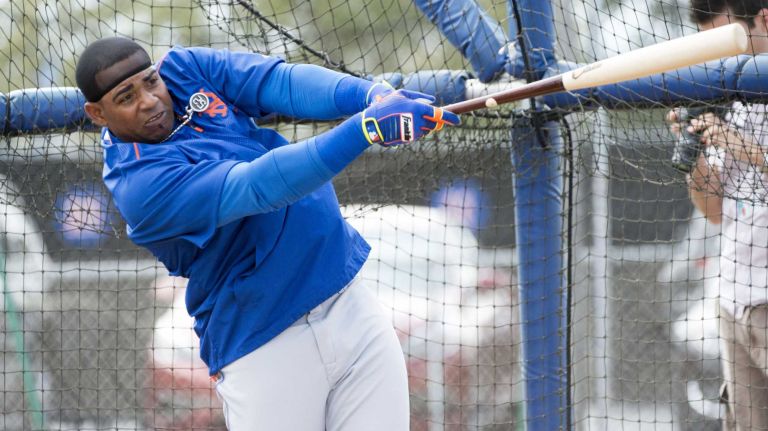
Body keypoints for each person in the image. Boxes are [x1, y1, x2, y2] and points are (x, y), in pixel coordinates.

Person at [75, 36, 459, 430]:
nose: (150, 100)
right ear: (97, 113)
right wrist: (365, 129)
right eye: (126, 97)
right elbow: (261, 187)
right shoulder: (139, 184)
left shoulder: (185, 70)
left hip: (348, 303)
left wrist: (373, 96)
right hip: (265, 343)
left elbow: (280, 83)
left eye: (150, 82)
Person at [668, 1, 768, 428]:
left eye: (730, 40)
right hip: (734, 298)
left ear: (765, 19)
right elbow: (712, 211)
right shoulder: (732, 93)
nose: (723, 60)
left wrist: (743, 146)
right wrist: (695, 155)